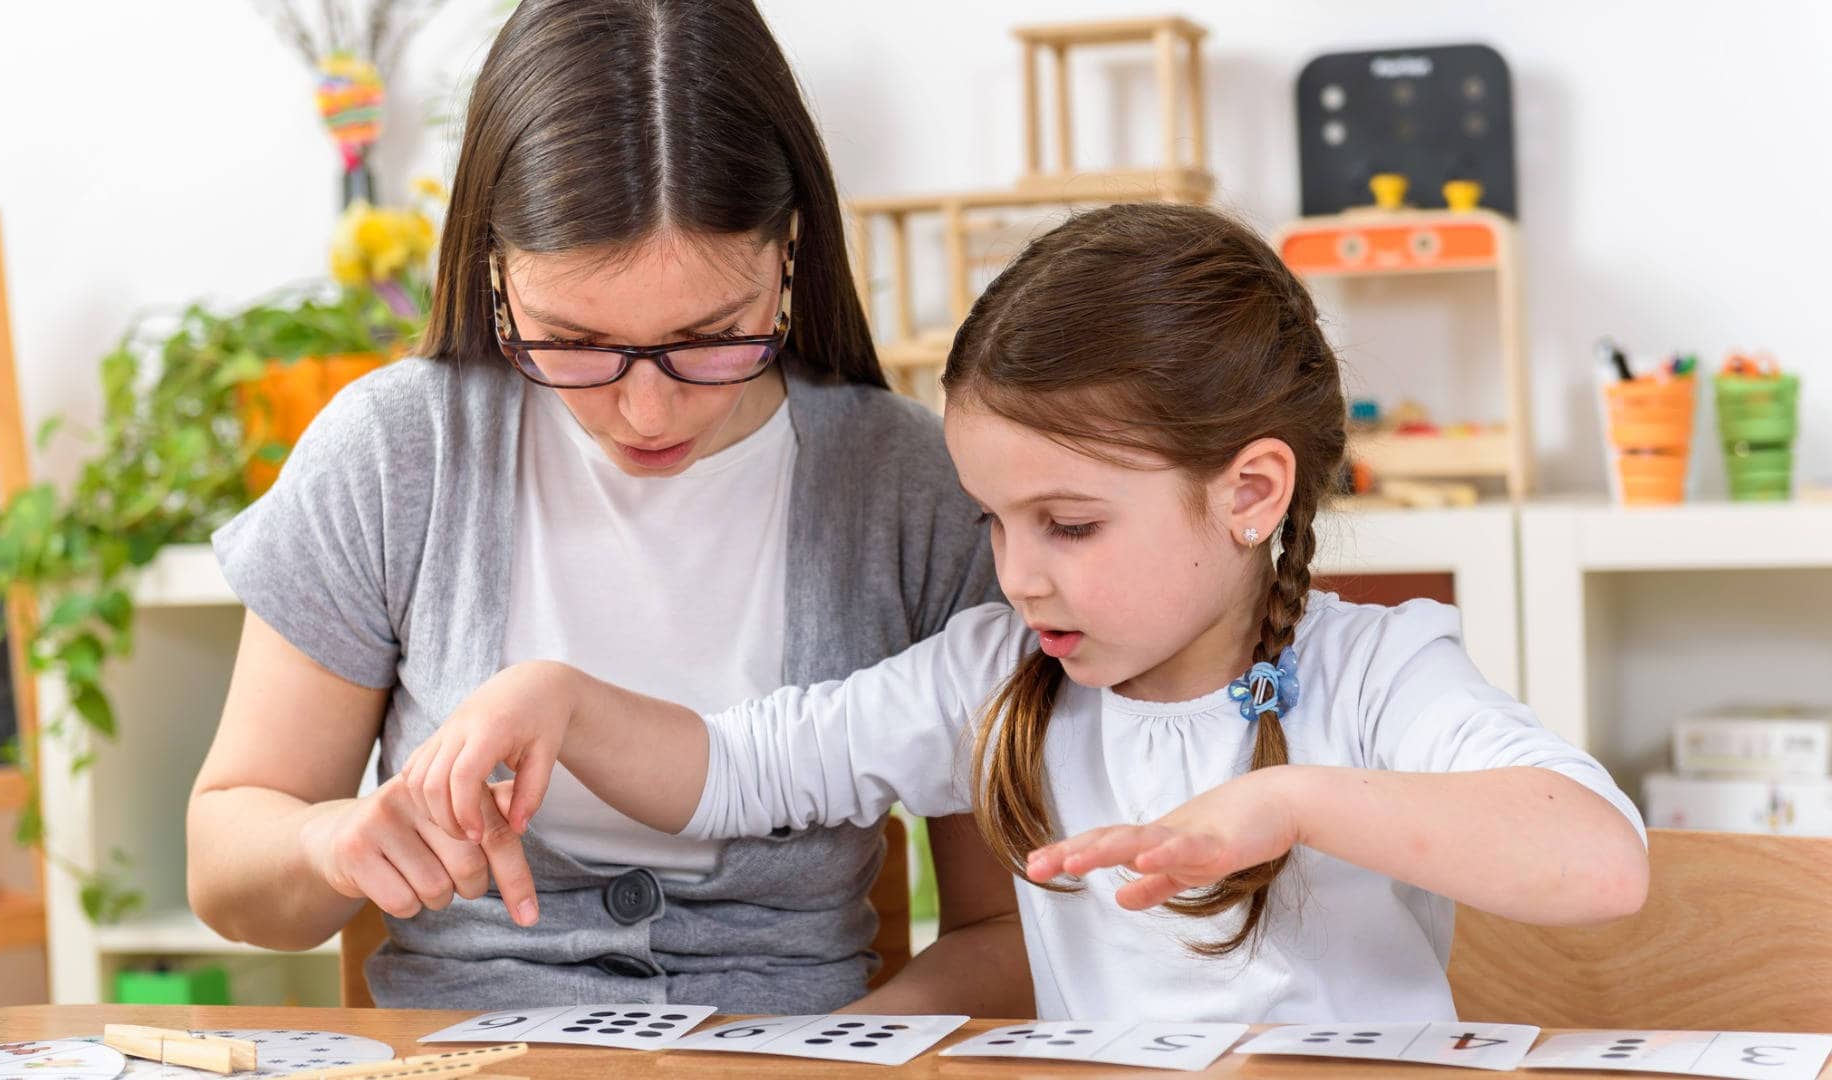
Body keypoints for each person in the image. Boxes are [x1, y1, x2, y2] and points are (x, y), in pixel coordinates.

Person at [397, 202, 1651, 1021]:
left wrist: (1292, 802)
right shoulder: (999, 673)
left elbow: (1599, 860)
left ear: (1250, 492)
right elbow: (743, 767)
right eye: (994, 521)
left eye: (1071, 524)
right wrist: (553, 696)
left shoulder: (1376, 672)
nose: (1018, 574)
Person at [187, 0, 1032, 1015]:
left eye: (712, 335)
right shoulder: (396, 455)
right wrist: (327, 842)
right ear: (495, 273)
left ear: (789, 255)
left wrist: (839, 1055)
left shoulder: (912, 487)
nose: (646, 409)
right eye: (574, 342)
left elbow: (1011, 932)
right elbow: (228, 865)